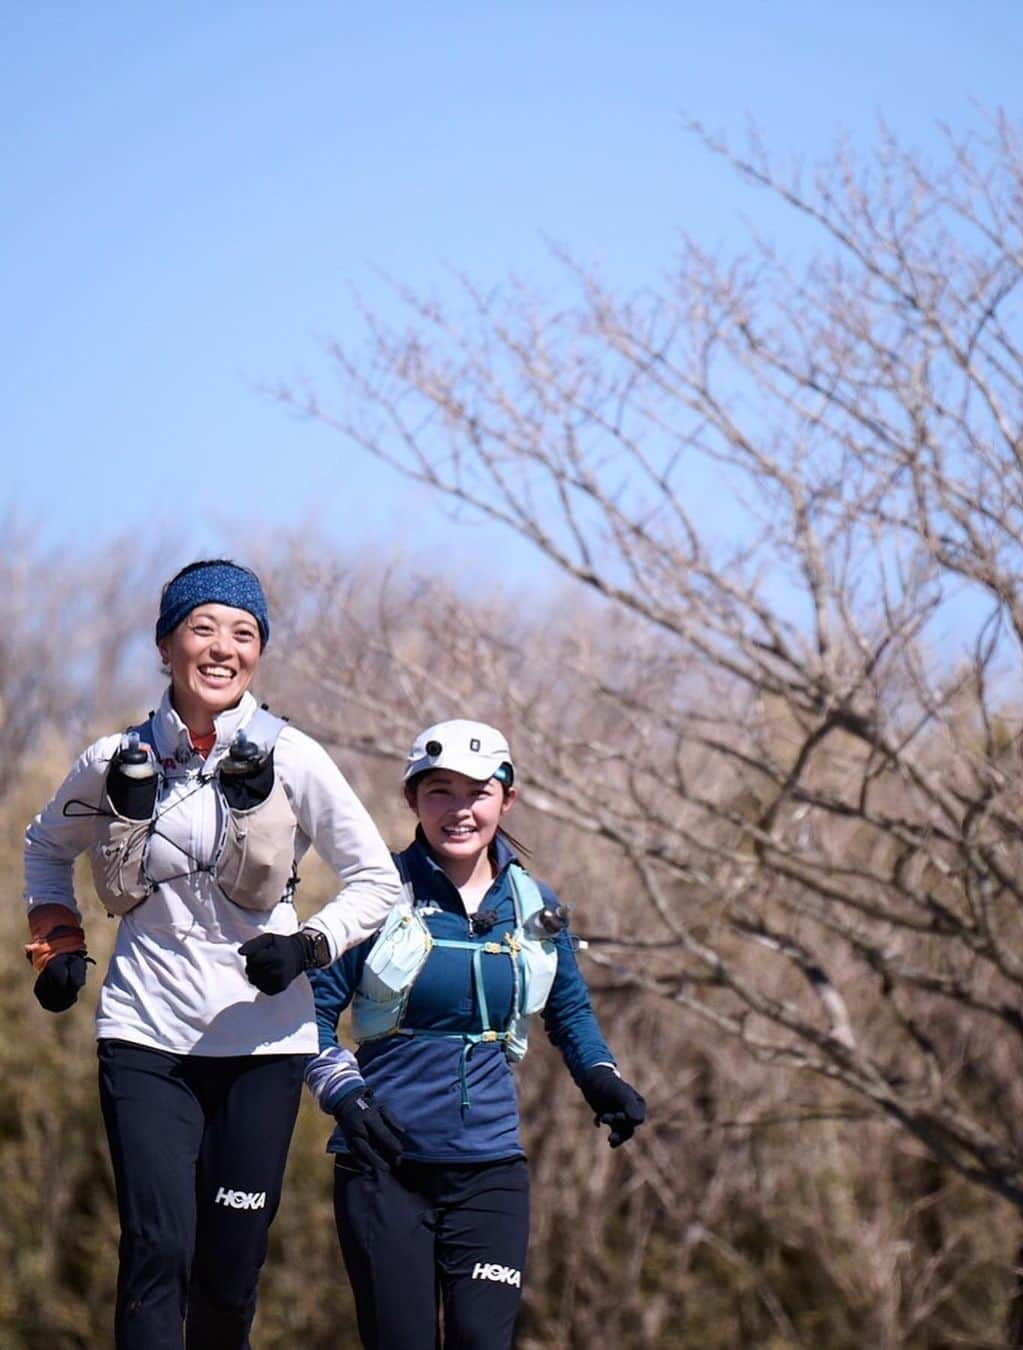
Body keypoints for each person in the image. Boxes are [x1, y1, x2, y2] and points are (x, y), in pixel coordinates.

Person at [23, 559, 401, 1350]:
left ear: (259, 650)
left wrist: (307, 946)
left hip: (263, 1044)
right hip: (145, 1034)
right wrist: (56, 937)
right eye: (203, 627)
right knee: (157, 1251)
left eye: (244, 632)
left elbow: (378, 882)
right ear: (166, 645)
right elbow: (44, 847)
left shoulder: (293, 755)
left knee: (228, 1278)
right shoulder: (110, 758)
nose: (223, 647)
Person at [305, 718, 648, 1349]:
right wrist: (344, 1095)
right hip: (384, 1167)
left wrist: (603, 1080)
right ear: (411, 798)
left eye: (477, 792)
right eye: (439, 791)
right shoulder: (376, 894)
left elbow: (569, 1012)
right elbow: (308, 1017)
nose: (459, 811)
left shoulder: (533, 904)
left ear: (506, 799)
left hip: (490, 1171)